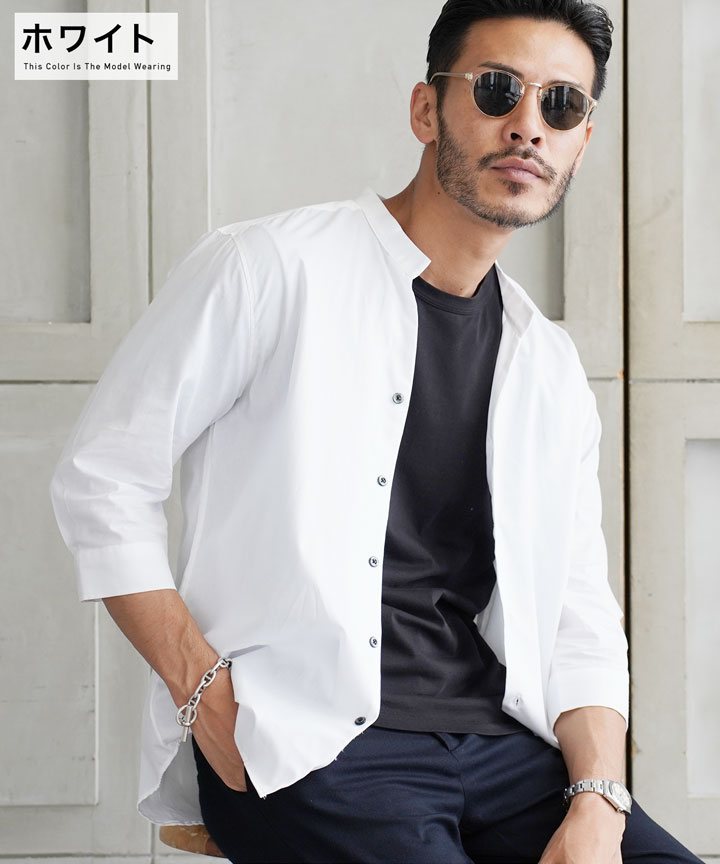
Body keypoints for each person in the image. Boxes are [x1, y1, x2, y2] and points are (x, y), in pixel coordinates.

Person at [50, 1, 703, 861]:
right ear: (427, 110)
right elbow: (102, 476)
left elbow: (578, 613)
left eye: (561, 105)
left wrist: (597, 803)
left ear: (580, 143)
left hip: (504, 749)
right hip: (307, 743)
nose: (527, 126)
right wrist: (201, 689)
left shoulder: (548, 365)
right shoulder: (269, 269)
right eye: (497, 89)